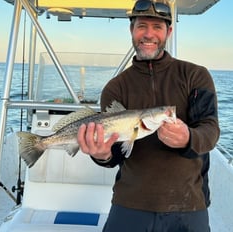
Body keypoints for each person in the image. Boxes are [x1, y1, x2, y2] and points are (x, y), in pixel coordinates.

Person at [77, 0, 220, 231]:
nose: (149, 34)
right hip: (129, 203)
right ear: (131, 30)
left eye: (157, 27)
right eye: (142, 26)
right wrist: (101, 155)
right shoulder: (115, 88)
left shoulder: (195, 75)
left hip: (189, 203)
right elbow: (115, 155)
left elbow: (210, 130)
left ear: (168, 32)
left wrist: (188, 138)